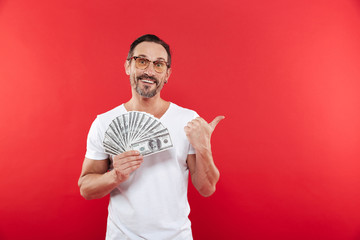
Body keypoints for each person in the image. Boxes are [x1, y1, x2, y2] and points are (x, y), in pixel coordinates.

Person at [78, 34, 224, 240]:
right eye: (142, 61)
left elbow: (207, 188)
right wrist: (115, 175)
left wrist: (204, 148)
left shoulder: (188, 120)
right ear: (128, 66)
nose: (149, 71)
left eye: (159, 65)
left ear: (167, 74)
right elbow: (86, 188)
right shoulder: (104, 122)